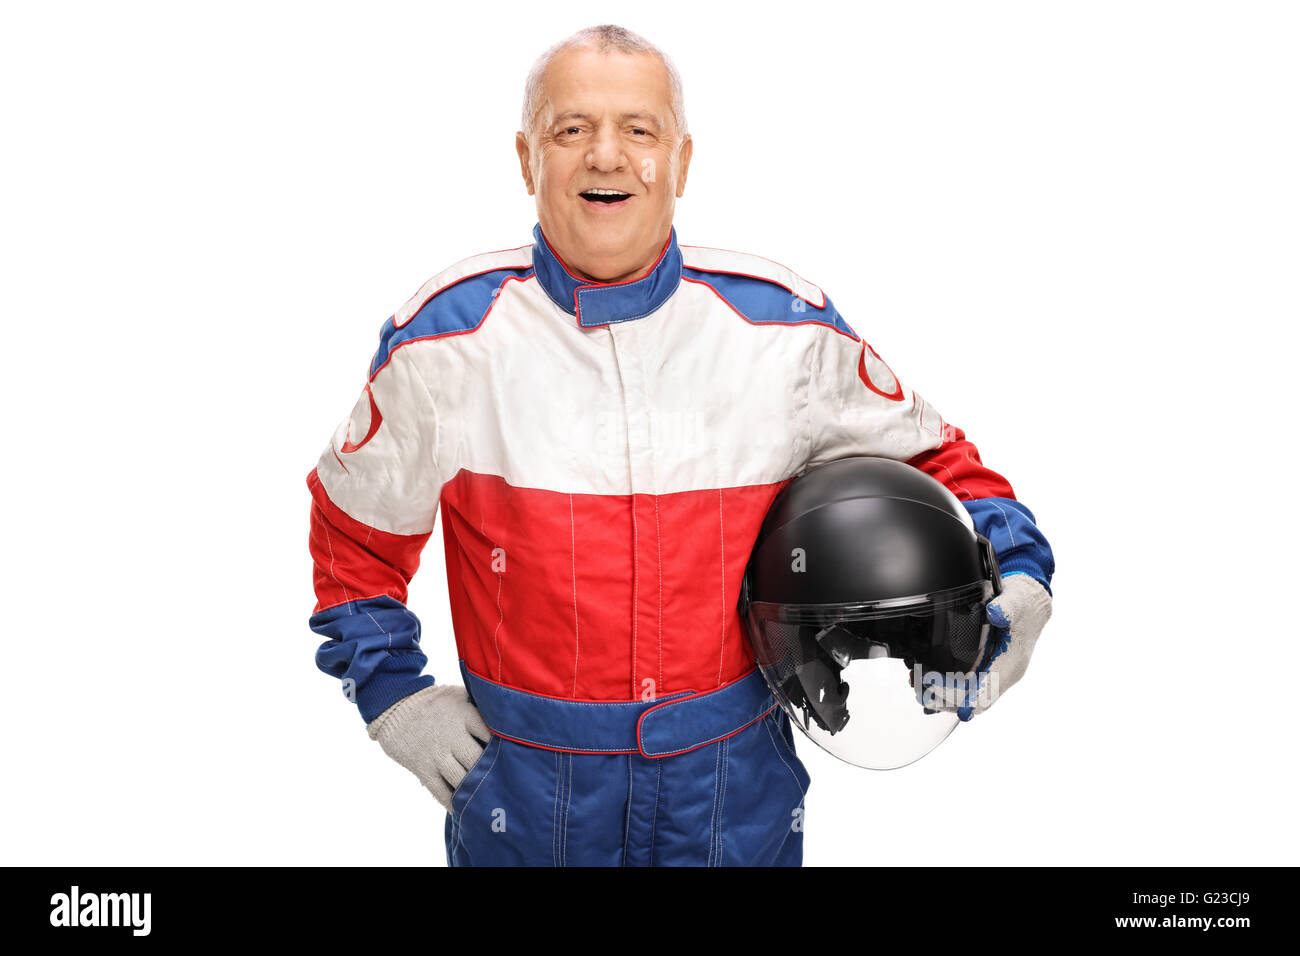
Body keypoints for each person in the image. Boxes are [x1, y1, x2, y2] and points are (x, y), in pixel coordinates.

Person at [305, 23, 1056, 867]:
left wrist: (1020, 571)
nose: (606, 156)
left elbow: (938, 464)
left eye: (638, 129)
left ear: (683, 161)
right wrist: (393, 695)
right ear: (526, 159)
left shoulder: (782, 331)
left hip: (732, 797)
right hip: (525, 798)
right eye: (571, 129)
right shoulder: (444, 343)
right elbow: (352, 534)